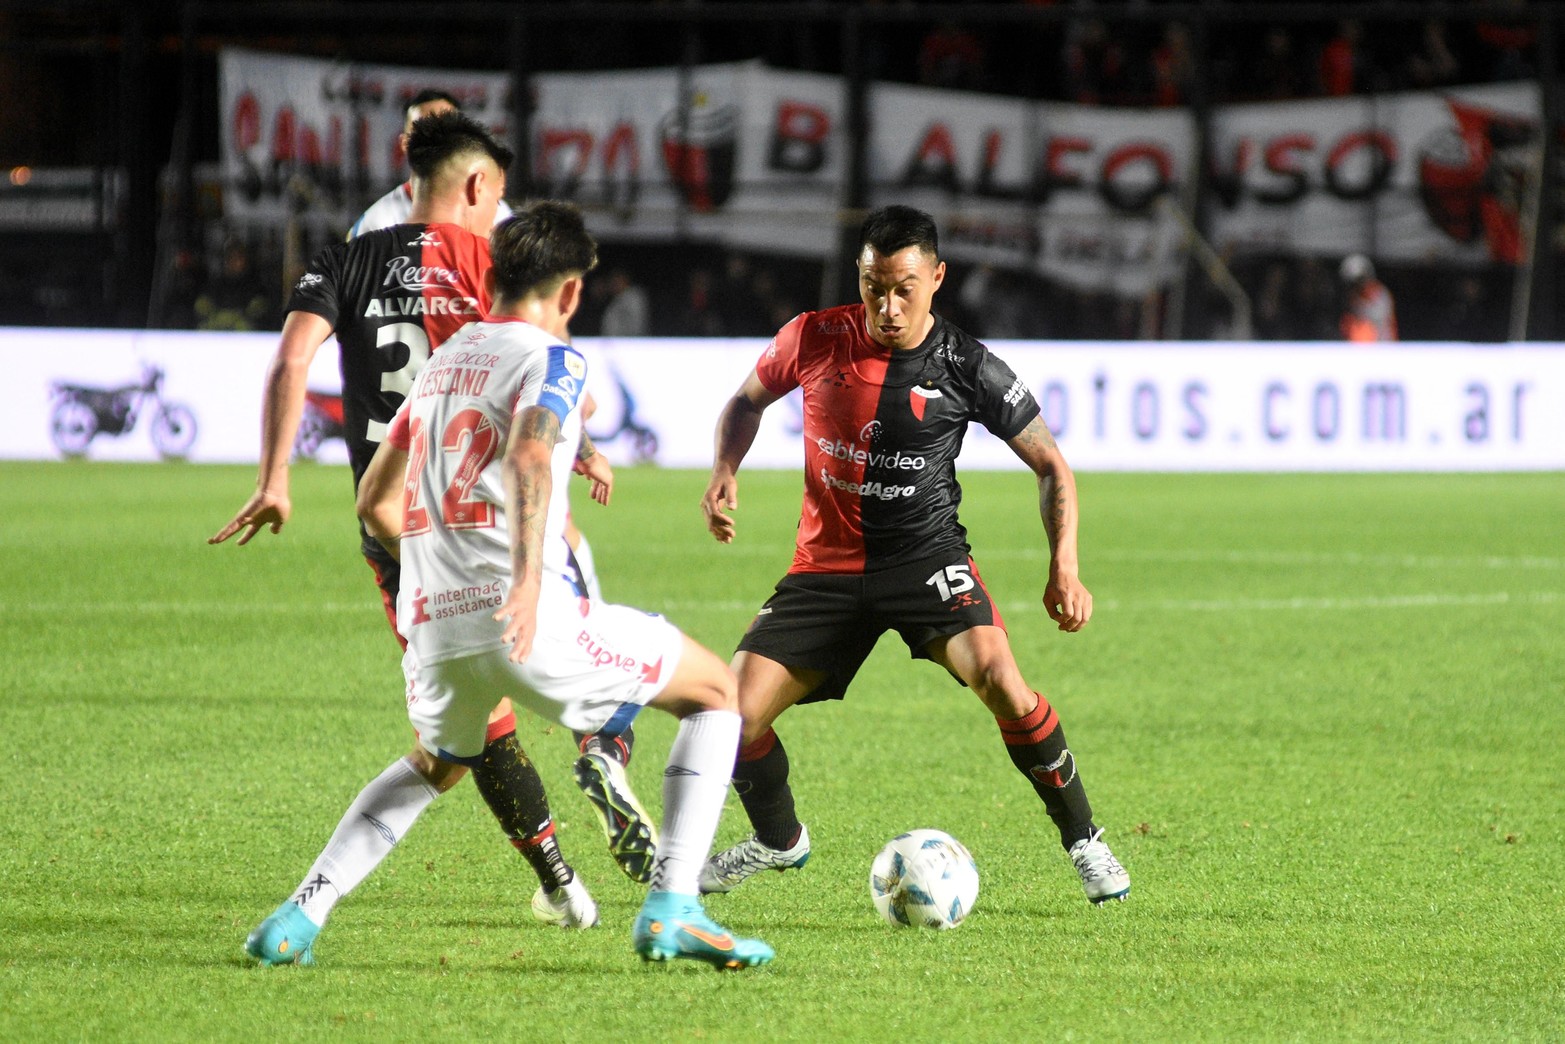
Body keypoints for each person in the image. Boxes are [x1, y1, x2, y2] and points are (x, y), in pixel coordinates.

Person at [246, 201, 772, 970]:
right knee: (716, 691)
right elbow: (530, 455)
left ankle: (297, 917)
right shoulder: (555, 360)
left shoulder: (441, 366)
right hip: (524, 618)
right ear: (568, 294)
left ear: (491, 275)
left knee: (437, 762)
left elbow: (373, 505)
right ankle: (673, 906)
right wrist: (525, 583)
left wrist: (441, 571)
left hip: (433, 626)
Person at [211, 113, 654, 960]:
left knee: (459, 741)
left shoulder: (344, 256)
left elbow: (291, 361)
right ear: (481, 187)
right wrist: (585, 438)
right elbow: (536, 369)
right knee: (664, 673)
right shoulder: (485, 265)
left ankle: (546, 884)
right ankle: (605, 747)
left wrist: (275, 478)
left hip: (398, 532)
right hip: (490, 518)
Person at [698, 204, 1130, 905]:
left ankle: (1085, 841)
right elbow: (745, 403)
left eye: (903, 287)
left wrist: (1064, 566)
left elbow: (1052, 465)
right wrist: (723, 471)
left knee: (1000, 680)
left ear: (935, 277)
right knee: (731, 716)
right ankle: (778, 841)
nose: (887, 306)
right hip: (824, 569)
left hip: (925, 561)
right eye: (873, 285)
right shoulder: (811, 337)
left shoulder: (967, 365)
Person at [347, 89, 514, 239]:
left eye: (448, 131)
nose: (437, 140)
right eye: (425, 132)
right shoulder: (377, 223)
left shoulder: (498, 214)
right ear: (405, 143)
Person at [1338, 254, 1398, 342]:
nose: (1358, 286)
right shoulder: (1351, 299)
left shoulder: (1380, 295)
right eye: (1353, 283)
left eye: (1360, 280)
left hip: (1381, 346)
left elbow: (1378, 321)